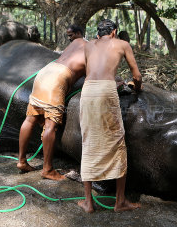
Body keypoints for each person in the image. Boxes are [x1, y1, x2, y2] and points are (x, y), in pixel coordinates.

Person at [78, 19, 142, 213]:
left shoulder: (88, 45)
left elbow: (91, 71)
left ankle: (88, 202)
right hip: (106, 91)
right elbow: (137, 76)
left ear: (98, 34)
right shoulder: (122, 44)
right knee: (117, 141)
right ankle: (120, 201)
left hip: (87, 91)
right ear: (114, 32)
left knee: (88, 141)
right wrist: (136, 88)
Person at [17, 26, 86, 181]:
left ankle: (21, 161)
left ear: (77, 34)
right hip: (58, 78)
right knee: (51, 126)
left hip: (45, 72)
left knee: (30, 119)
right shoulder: (92, 48)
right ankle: (47, 169)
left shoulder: (73, 44)